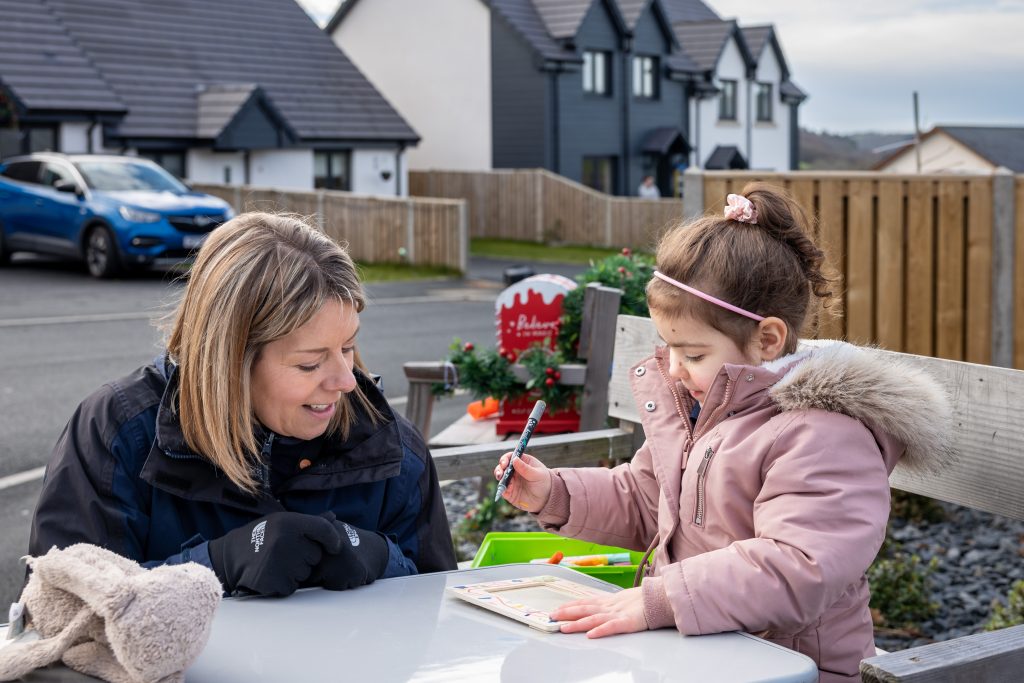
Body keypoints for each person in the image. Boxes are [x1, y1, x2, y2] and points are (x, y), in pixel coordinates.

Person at [493, 184, 953, 682]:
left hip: (792, 669)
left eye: (692, 355)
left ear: (767, 340)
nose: (671, 370)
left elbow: (797, 566)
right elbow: (647, 497)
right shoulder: (701, 411)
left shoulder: (824, 433)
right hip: (703, 652)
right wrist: (553, 493)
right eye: (666, 349)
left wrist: (662, 599)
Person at [30, 212, 456, 597]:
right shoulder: (117, 434)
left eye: (348, 347)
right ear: (229, 360)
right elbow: (59, 611)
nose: (346, 381)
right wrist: (217, 565)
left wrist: (382, 557)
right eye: (309, 364)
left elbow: (441, 612)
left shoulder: (390, 444)